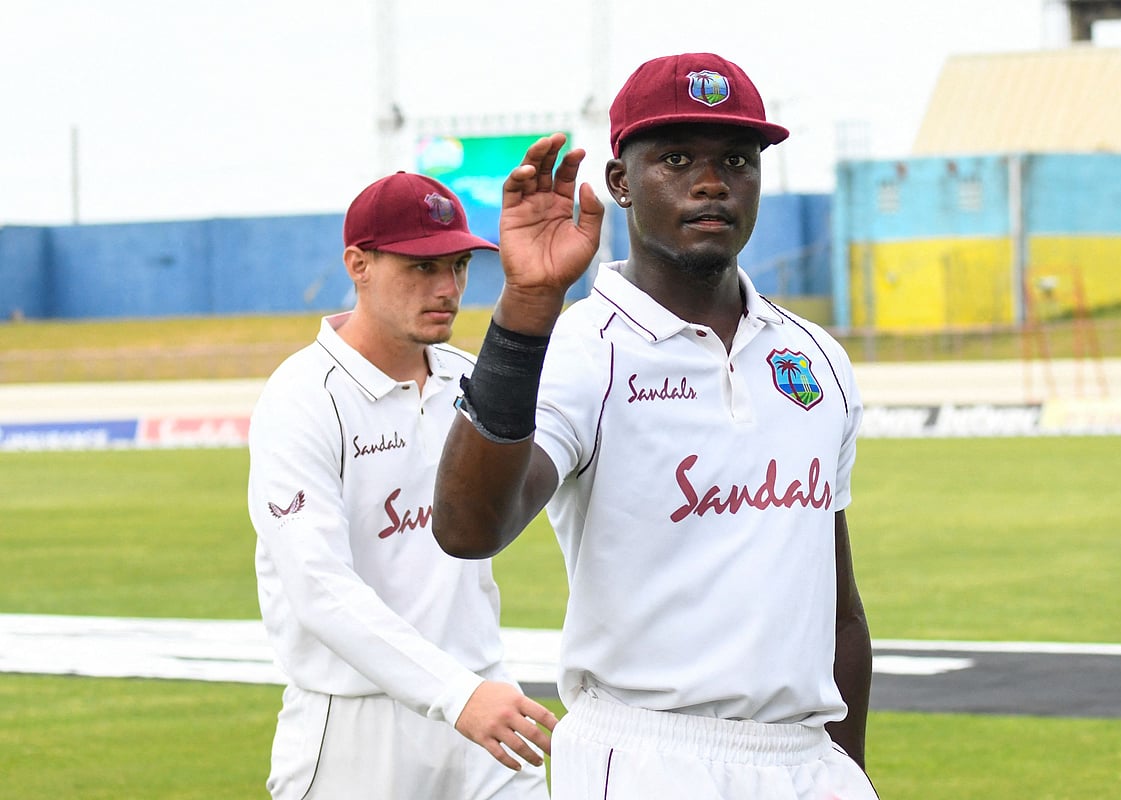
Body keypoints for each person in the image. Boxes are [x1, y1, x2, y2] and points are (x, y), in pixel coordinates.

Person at [433, 52, 877, 799]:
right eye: (677, 159)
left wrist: (850, 771)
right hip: (648, 757)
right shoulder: (580, 350)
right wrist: (527, 307)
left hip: (808, 762)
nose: (712, 182)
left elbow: (839, 615)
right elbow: (468, 528)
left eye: (737, 160)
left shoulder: (815, 358)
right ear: (619, 184)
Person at [247, 171, 555, 799]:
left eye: (459, 266)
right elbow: (319, 587)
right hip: (353, 727)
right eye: (421, 268)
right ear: (358, 264)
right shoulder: (303, 396)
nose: (448, 289)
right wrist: (454, 693)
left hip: (485, 708)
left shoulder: (474, 379)